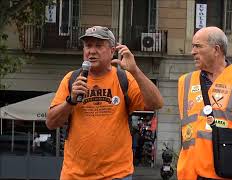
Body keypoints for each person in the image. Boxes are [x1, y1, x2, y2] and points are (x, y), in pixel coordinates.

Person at [46, 26, 163, 179]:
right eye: (88, 46)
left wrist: (135, 71)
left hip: (116, 175)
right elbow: (51, 122)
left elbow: (157, 103)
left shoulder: (124, 78)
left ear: (112, 50)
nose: (92, 51)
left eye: (98, 46)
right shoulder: (71, 79)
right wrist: (70, 101)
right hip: (75, 175)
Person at [177, 26, 232, 179]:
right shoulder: (185, 81)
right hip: (189, 173)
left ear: (216, 50)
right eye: (192, 46)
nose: (192, 51)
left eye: (198, 46)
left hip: (226, 172)